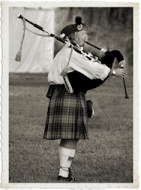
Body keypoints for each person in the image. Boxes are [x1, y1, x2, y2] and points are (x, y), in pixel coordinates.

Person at [43, 16, 126, 182]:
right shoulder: (71, 53)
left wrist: (106, 58)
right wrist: (112, 72)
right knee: (71, 137)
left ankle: (64, 174)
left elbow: (89, 64)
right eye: (83, 35)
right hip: (69, 95)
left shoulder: (68, 52)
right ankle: (63, 174)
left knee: (69, 137)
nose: (85, 37)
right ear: (74, 37)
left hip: (62, 94)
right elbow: (93, 69)